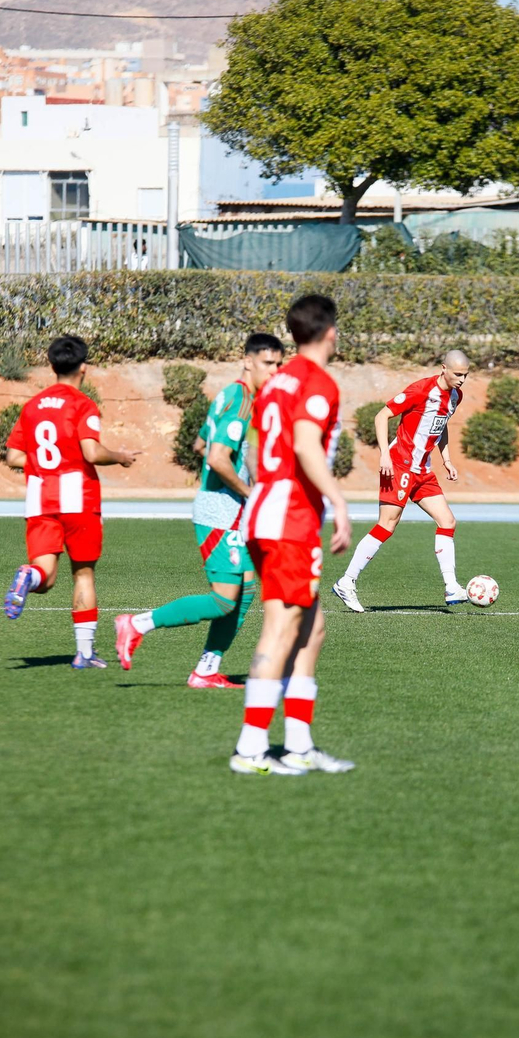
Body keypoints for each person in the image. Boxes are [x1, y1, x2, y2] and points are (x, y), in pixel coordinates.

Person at [115, 333, 287, 685]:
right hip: (220, 514)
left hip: (233, 511)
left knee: (248, 589)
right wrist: (251, 492)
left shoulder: (233, 396)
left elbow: (199, 443)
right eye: (268, 363)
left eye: (279, 364)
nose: (275, 371)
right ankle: (136, 624)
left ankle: (206, 670)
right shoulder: (241, 400)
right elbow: (216, 457)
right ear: (247, 361)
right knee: (224, 601)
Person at [231, 294, 354, 776]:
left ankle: (299, 745)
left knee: (311, 628)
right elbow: (304, 446)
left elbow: (265, 448)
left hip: (269, 510)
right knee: (281, 630)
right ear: (329, 332)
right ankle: (251, 749)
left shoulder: (274, 381)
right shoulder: (316, 381)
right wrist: (339, 502)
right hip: (290, 519)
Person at [2, 335, 140, 668]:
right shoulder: (83, 405)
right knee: (83, 575)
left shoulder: (33, 406)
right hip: (78, 500)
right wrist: (121, 456)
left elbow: (12, 456)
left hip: (40, 498)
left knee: (45, 577)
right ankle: (85, 653)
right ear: (83, 367)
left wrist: (43, 465)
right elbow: (91, 452)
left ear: (51, 366)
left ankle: (27, 576)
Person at [332, 350, 472, 611]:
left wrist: (447, 460)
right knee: (387, 525)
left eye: (465, 375)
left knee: (447, 520)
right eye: (457, 374)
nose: (462, 380)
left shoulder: (456, 396)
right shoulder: (421, 390)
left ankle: (451, 586)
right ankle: (347, 582)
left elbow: (440, 426)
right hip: (399, 465)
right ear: (443, 368)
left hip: (423, 470)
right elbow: (381, 415)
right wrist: (384, 454)